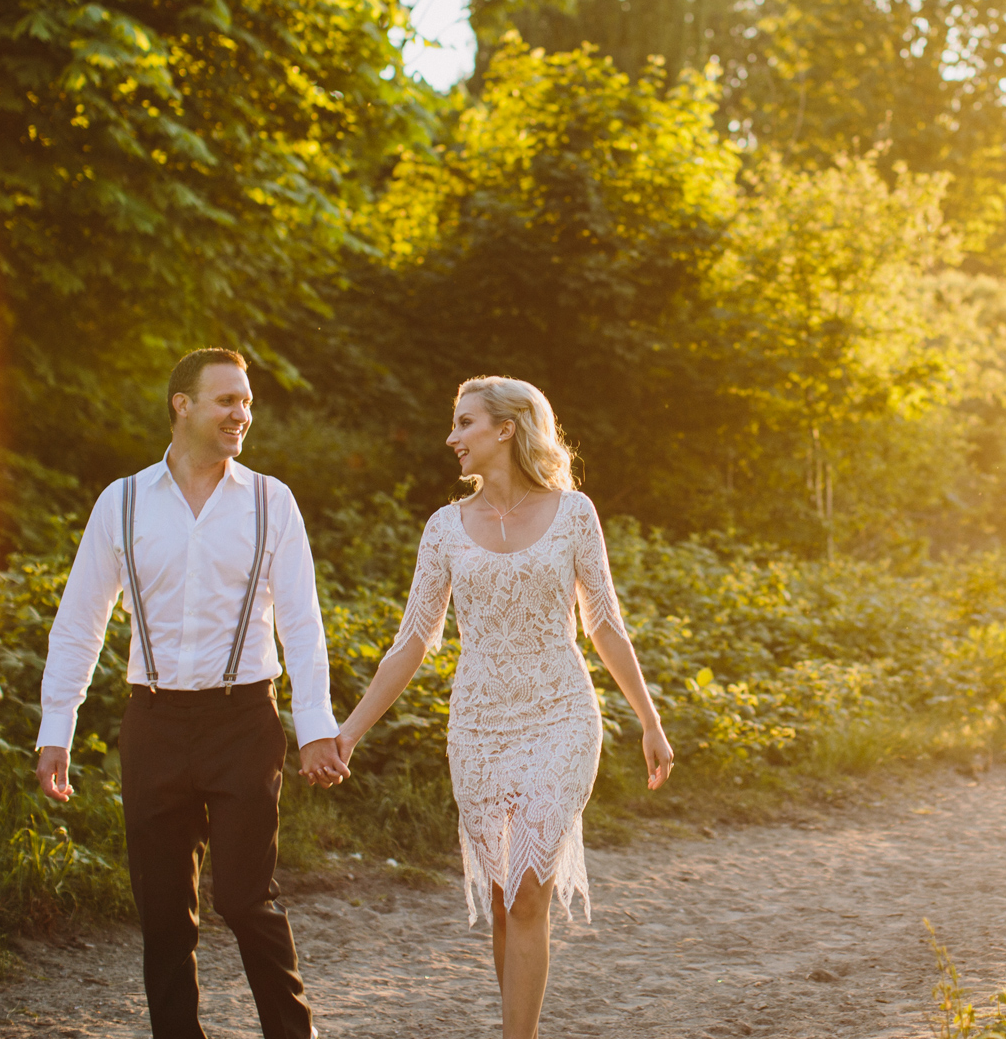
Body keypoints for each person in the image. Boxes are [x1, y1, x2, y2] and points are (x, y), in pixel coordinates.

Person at [338, 375, 674, 1039]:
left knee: (526, 891)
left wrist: (650, 720)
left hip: (561, 716)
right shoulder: (443, 529)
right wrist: (348, 732)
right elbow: (413, 642)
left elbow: (604, 624)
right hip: (479, 726)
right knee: (503, 897)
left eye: (464, 423)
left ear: (506, 429)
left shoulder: (574, 512)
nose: (451, 437)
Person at [35, 348, 348, 1039]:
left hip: (244, 719)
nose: (243, 414)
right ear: (182, 404)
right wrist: (55, 727)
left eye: (247, 403)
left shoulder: (272, 501)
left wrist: (316, 725)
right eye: (227, 401)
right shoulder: (121, 502)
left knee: (244, 899)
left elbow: (303, 624)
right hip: (154, 721)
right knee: (163, 914)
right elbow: (80, 621)